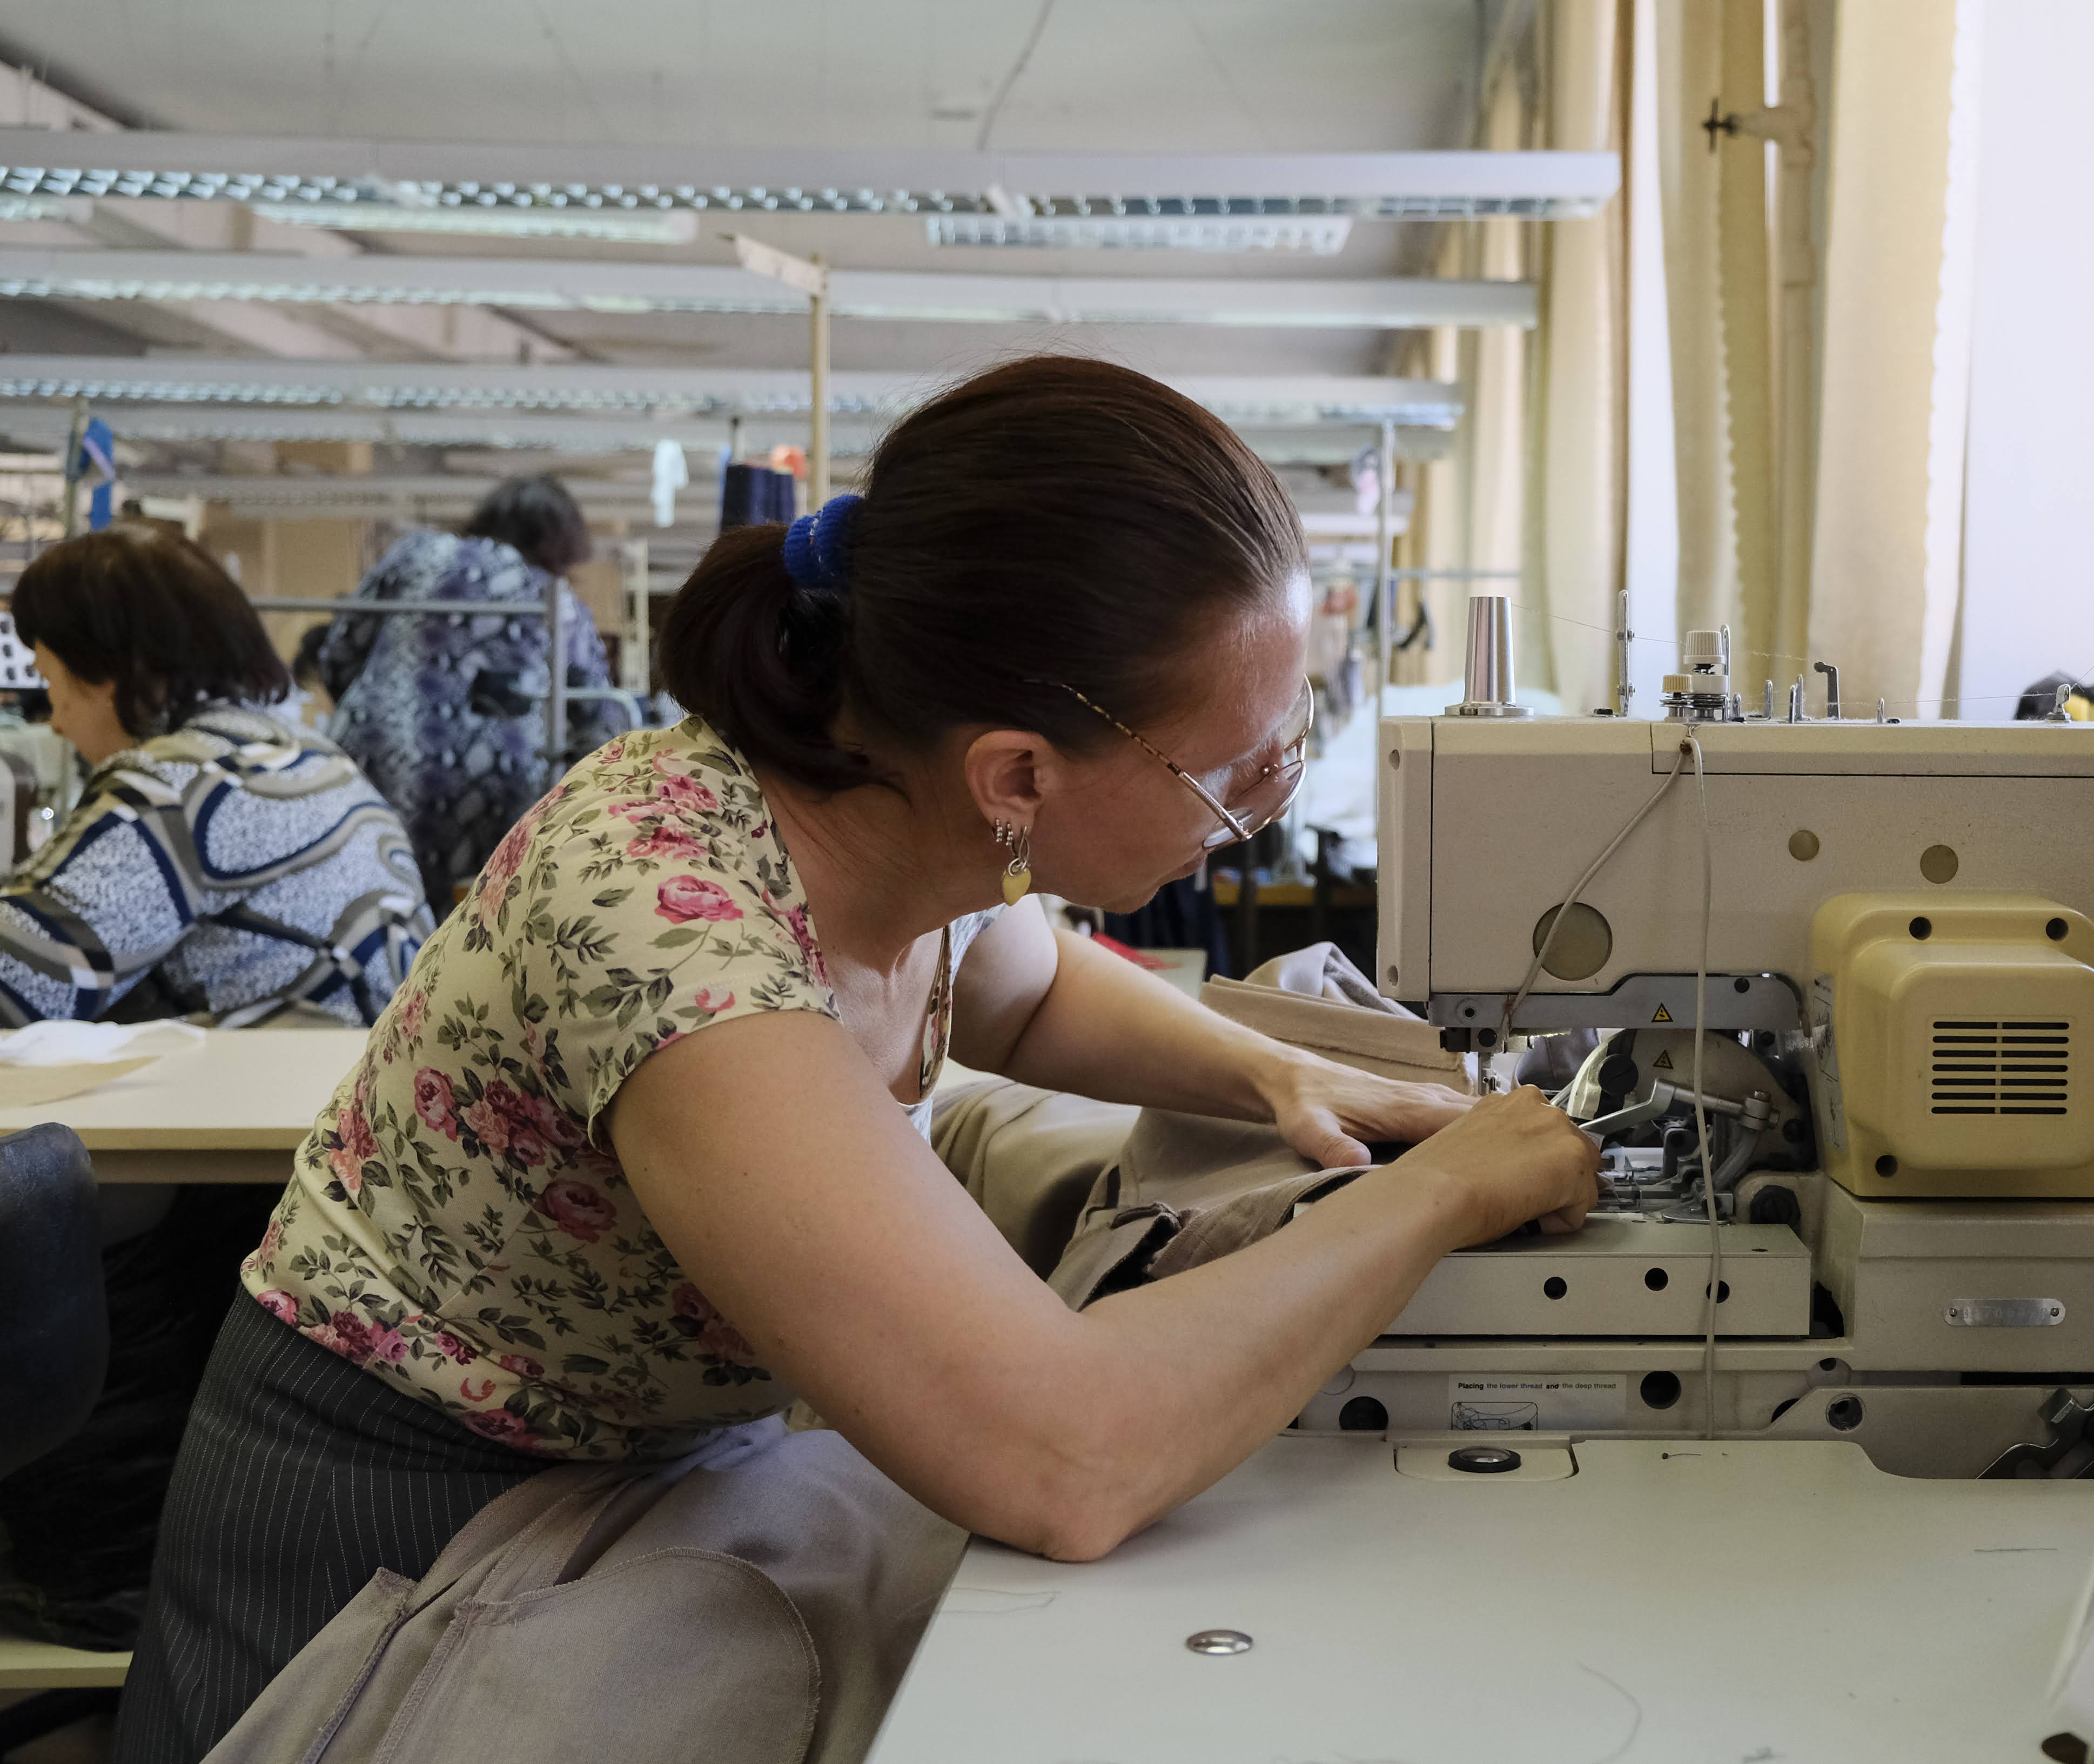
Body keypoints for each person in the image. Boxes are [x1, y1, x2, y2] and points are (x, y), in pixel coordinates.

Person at [113, 357, 1598, 1763]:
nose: (1265, 802)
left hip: (651, 1464)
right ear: (1017, 775)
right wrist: (1441, 1193)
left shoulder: (898, 810)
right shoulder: (672, 931)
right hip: (407, 1545)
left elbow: (1026, 988)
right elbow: (1065, 1460)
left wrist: (1273, 1074)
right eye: (1234, 770)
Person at [0, 526, 431, 1027]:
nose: (55, 721)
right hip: (372, 1063)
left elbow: (20, 989)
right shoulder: (305, 753)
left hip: (289, 1074)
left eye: (51, 681)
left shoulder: (179, 783)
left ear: (110, 670)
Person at [318, 474, 630, 915]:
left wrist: (380, 704)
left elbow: (338, 653)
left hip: (374, 757)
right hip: (489, 784)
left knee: (367, 901)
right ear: (560, 543)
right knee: (466, 919)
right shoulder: (550, 595)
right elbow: (596, 711)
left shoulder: (416, 553)